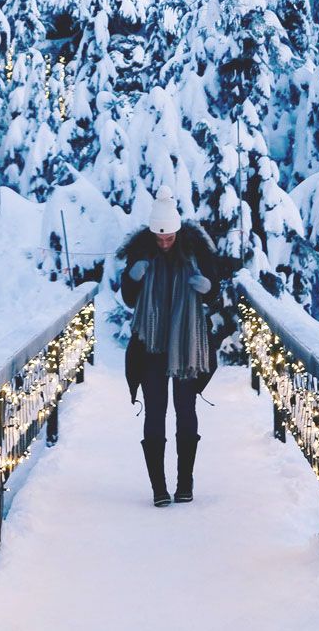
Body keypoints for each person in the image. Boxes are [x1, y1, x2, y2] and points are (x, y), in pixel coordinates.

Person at [118, 186, 219, 506]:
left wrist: (208, 288)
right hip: (151, 346)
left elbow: (214, 292)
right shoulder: (142, 253)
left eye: (169, 238)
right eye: (159, 238)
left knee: (186, 411)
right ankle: (159, 488)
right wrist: (133, 278)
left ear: (177, 232)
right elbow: (130, 300)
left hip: (187, 345)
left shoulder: (196, 253)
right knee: (156, 413)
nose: (164, 244)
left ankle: (185, 483)